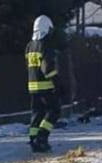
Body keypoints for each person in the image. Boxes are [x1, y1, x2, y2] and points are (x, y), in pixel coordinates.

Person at [26, 15, 62, 153]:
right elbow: (47, 68)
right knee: (54, 111)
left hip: (32, 87)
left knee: (37, 113)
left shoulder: (29, 46)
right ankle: (42, 136)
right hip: (46, 87)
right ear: (47, 29)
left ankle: (33, 139)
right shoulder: (45, 45)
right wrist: (57, 83)